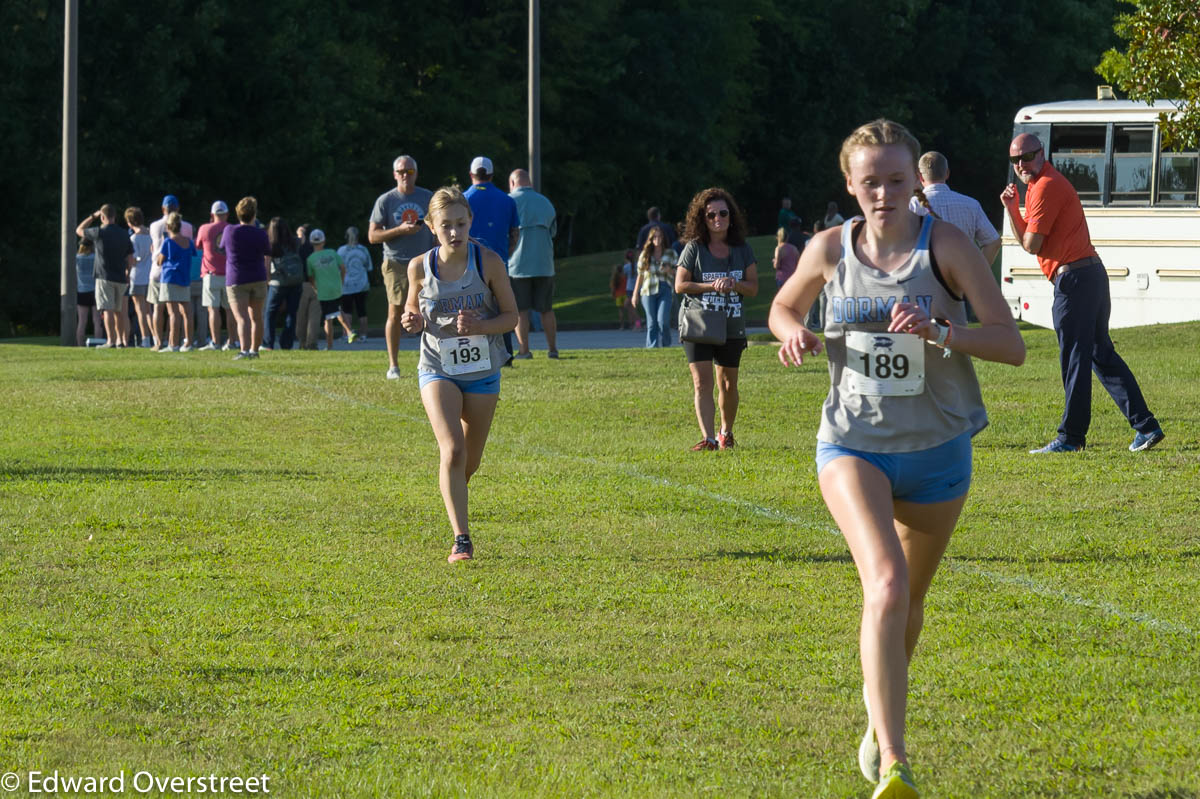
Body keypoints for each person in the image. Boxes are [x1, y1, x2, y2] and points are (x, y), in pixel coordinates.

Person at [770, 119, 1026, 799]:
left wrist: (942, 330)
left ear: (917, 180)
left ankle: (876, 715)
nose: (882, 193)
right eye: (869, 181)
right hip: (853, 445)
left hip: (940, 452)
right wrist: (793, 329)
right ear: (850, 186)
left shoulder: (945, 245)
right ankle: (896, 761)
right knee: (883, 585)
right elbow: (780, 308)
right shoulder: (829, 248)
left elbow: (1010, 342)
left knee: (907, 601)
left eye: (894, 179)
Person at [1002, 133, 1165, 453]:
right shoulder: (1039, 185)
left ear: (1042, 153)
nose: (1021, 164)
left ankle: (1070, 438)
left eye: (1027, 156)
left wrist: (1012, 210)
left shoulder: (1046, 185)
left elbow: (1031, 244)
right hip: (1088, 276)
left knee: (1076, 358)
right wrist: (1013, 206)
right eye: (1014, 160)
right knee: (1099, 355)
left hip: (1074, 280)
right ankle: (1146, 427)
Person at [399, 187, 518, 563]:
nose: (455, 232)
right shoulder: (419, 266)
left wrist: (482, 326)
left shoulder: (489, 263)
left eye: (461, 223)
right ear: (432, 227)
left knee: (470, 462)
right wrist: (412, 320)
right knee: (451, 449)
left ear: (470, 223)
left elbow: (512, 317)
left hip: (483, 372)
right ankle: (461, 539)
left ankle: (453, 495)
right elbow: (411, 312)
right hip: (437, 367)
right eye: (446, 225)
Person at [675, 187, 758, 450]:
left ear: (731, 216)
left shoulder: (742, 249)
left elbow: (753, 288)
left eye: (723, 213)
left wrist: (734, 284)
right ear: (703, 218)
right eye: (711, 215)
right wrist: (712, 286)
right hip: (699, 323)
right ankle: (708, 438)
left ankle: (726, 432)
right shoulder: (694, 249)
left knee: (728, 383)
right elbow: (680, 285)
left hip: (731, 324)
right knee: (702, 382)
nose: (717, 219)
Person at [369, 155, 434, 379]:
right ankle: (393, 366)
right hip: (396, 262)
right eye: (401, 172)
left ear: (416, 173)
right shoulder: (386, 200)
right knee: (396, 312)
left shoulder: (428, 197)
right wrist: (400, 230)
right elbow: (373, 235)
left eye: (410, 171)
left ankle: (430, 361)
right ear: (395, 174)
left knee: (431, 310)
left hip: (425, 261)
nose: (405, 175)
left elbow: (438, 227)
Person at [464, 156, 520, 363]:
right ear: (491, 175)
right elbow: (515, 232)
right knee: (503, 308)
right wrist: (505, 254)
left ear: (471, 175)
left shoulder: (463, 200)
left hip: (469, 262)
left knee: (473, 309)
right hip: (499, 263)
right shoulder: (507, 200)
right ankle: (505, 355)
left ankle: (475, 354)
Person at [909, 151, 1001, 266]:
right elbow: (993, 242)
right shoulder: (971, 204)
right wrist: (977, 273)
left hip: (925, 278)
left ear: (920, 177)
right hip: (963, 277)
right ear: (947, 173)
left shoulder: (912, 206)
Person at [507, 168, 559, 358]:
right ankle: (552, 349)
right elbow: (553, 232)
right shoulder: (545, 202)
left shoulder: (509, 201)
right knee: (546, 309)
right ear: (529, 182)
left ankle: (524, 350)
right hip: (545, 265)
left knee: (521, 311)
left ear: (512, 183)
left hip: (518, 265)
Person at [75, 203, 134, 348]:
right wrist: (128, 272)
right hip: (120, 276)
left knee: (107, 310)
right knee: (119, 311)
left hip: (104, 276)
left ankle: (111, 341)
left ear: (102, 217)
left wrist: (92, 216)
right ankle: (121, 340)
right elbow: (130, 257)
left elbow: (79, 230)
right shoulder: (124, 234)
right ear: (115, 216)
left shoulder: (99, 232)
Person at [220, 196, 271, 360]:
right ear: (254, 214)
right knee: (257, 317)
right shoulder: (261, 234)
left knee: (241, 318)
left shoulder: (229, 231)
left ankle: (244, 350)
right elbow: (267, 252)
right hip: (258, 276)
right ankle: (255, 351)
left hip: (237, 279)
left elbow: (221, 248)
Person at [148, 195, 193, 350]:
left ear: (163, 208)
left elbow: (158, 256)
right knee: (183, 311)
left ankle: (160, 342)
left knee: (159, 309)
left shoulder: (154, 226)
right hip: (183, 275)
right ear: (178, 208)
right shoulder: (188, 228)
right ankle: (185, 341)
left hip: (161, 273)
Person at [305, 229, 358, 349]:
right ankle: (333, 344)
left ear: (311, 243)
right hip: (337, 288)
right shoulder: (332, 253)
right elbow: (343, 267)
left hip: (323, 291)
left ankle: (349, 332)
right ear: (323, 241)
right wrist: (341, 281)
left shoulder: (310, 259)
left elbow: (311, 277)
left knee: (330, 316)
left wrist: (315, 288)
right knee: (332, 314)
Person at [631, 225, 677, 348]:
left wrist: (670, 270)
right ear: (651, 239)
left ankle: (667, 346)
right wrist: (635, 295)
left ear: (663, 238)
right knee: (651, 323)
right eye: (655, 237)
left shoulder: (671, 253)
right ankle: (652, 348)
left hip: (665, 289)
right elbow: (640, 275)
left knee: (663, 321)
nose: (657, 239)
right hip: (648, 290)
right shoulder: (645, 254)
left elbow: (679, 271)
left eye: (660, 236)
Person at [263, 217, 305, 350]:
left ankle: (268, 343)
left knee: (270, 313)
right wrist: (300, 232)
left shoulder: (271, 244)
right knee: (291, 313)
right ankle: (286, 344)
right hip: (296, 282)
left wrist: (268, 281)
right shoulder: (294, 242)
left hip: (278, 282)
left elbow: (267, 262)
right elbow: (302, 239)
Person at [196, 200, 232, 350]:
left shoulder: (204, 228)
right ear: (227, 214)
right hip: (230, 274)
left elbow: (198, 246)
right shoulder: (232, 229)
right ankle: (233, 341)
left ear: (212, 214)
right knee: (230, 310)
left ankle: (216, 342)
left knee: (213, 309)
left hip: (211, 274)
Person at [337, 226, 373, 341]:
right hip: (362, 283)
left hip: (346, 284)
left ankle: (347, 334)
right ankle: (363, 335)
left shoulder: (341, 250)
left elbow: (338, 269)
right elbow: (369, 267)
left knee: (346, 310)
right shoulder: (363, 250)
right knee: (362, 310)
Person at [125, 207, 154, 347]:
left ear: (130, 222)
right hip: (150, 276)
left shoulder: (133, 238)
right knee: (149, 310)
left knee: (140, 310)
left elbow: (134, 260)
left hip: (137, 277)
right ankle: (156, 336)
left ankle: (145, 339)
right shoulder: (151, 235)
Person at [294, 224, 320, 350]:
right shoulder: (316, 249)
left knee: (301, 316)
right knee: (314, 316)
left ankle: (302, 342)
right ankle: (312, 343)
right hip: (317, 284)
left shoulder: (298, 248)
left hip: (302, 285)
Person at [74, 239, 101, 346]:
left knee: (82, 321)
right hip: (95, 291)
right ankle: (98, 343)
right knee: (97, 321)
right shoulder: (95, 258)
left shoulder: (76, 258)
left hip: (82, 291)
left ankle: (80, 344)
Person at [622, 249, 642, 331]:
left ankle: (638, 324)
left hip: (630, 288)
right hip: (636, 288)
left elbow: (624, 275)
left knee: (629, 306)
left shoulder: (626, 267)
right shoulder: (637, 265)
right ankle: (634, 323)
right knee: (630, 306)